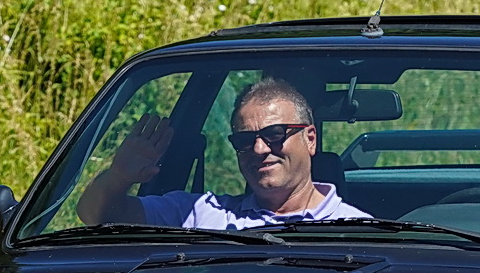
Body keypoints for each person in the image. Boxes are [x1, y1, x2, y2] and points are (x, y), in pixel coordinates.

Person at [77, 77, 371, 229]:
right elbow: (93, 216)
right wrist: (118, 177)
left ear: (310, 139)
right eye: (245, 140)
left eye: (274, 134)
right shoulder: (199, 216)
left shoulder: (356, 231)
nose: (259, 149)